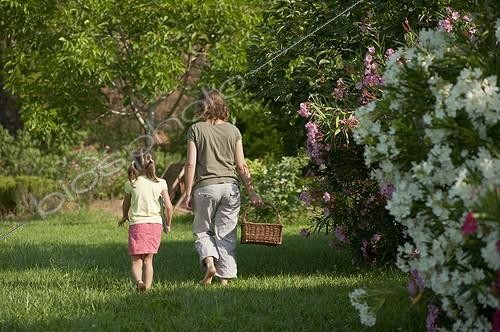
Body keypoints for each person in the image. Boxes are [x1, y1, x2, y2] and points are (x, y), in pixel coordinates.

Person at [183, 89, 263, 286]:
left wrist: (187, 192)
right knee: (226, 233)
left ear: (201, 106)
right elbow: (241, 165)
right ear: (222, 105)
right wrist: (252, 193)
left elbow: (191, 164)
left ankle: (210, 262)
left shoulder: (196, 129)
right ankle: (224, 279)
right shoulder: (233, 130)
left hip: (205, 188)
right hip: (230, 188)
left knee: (202, 231)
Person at [119, 150, 173, 292]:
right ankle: (147, 291)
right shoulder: (161, 182)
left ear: (134, 165)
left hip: (137, 225)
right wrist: (168, 224)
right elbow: (168, 207)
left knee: (136, 261)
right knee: (148, 260)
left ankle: (139, 281)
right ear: (152, 163)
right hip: (155, 225)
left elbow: (126, 204)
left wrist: (125, 216)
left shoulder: (131, 183)